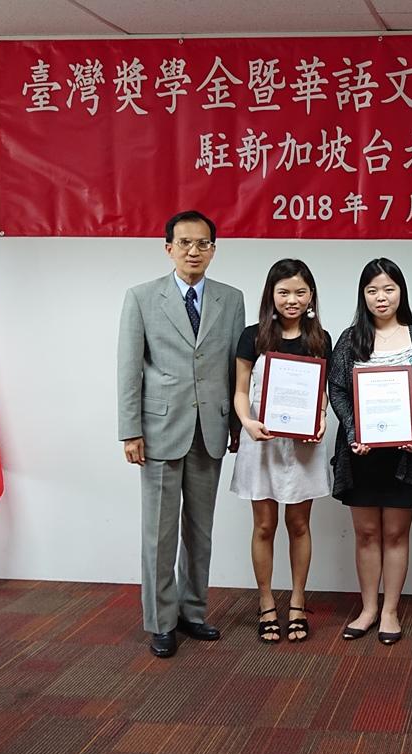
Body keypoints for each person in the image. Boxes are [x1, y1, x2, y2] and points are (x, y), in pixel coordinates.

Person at [117, 210, 245, 659]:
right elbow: (129, 369)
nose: (195, 251)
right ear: (168, 246)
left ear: (214, 248)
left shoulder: (231, 300)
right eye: (186, 243)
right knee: (159, 532)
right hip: (159, 430)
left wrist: (234, 425)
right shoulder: (142, 298)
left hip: (209, 427)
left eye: (204, 243)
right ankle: (160, 621)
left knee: (200, 531)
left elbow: (235, 368)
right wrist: (130, 430)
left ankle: (194, 611)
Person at [328, 258, 412, 645]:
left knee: (395, 535)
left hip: (404, 454)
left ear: (401, 293)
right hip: (360, 453)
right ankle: (368, 609)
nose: (381, 297)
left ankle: (390, 610)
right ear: (363, 295)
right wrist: (353, 428)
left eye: (389, 289)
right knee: (365, 534)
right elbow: (338, 390)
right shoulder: (350, 338)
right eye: (373, 290)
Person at [230, 259, 332, 644]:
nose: (292, 299)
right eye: (284, 292)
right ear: (271, 295)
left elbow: (321, 394)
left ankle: (298, 603)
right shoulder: (252, 336)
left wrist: (320, 420)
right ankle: (267, 602)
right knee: (264, 526)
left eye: (300, 292)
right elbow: (241, 391)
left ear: (311, 297)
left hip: (303, 446)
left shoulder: (320, 338)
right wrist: (247, 422)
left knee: (300, 525)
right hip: (263, 443)